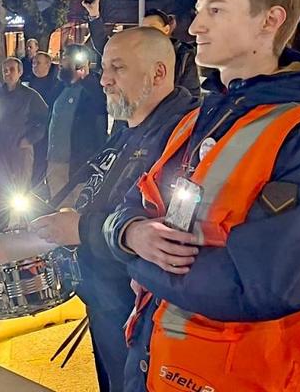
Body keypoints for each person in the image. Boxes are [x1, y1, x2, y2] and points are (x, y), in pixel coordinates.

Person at [104, 0, 300, 391]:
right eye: (199, 9)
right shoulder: (199, 117)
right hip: (158, 364)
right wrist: (129, 233)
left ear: (270, 20)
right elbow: (132, 203)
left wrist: (139, 262)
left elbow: (262, 285)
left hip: (248, 376)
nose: (195, 27)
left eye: (216, 10)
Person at [30, 27, 197, 391]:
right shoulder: (130, 128)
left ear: (158, 73)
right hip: (107, 301)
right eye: (103, 68)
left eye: (117, 68)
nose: (104, 80)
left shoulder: (183, 137)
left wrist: (81, 228)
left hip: (138, 315)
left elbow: (165, 234)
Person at [85, 0, 202, 97]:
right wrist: (94, 16)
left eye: (152, 27)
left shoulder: (183, 55)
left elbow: (191, 94)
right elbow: (105, 46)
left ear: (166, 29)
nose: (147, 33)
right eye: (144, 28)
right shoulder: (134, 50)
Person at [0, 57, 49, 227]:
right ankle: (2, 222)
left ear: (20, 72)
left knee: (22, 187)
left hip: (20, 148)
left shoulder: (30, 96)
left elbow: (43, 120)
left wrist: (30, 139)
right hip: (0, 147)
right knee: (1, 186)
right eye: (5, 70)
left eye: (12, 69)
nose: (7, 73)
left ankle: (25, 223)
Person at [44, 44, 108, 199]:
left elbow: (99, 124)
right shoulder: (59, 88)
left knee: (78, 205)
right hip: (55, 161)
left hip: (79, 163)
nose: (61, 63)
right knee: (57, 205)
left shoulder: (93, 90)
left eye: (66, 58)